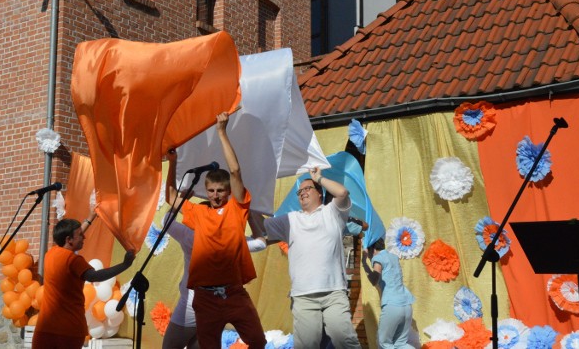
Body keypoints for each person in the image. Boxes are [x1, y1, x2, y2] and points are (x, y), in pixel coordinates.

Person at [165, 112, 266, 349]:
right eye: (211, 191)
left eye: (220, 191)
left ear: (228, 192)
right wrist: (172, 162)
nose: (216, 195)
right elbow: (170, 196)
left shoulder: (236, 208)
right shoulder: (200, 214)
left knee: (258, 342)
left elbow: (235, 172)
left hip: (234, 293)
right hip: (205, 297)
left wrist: (221, 132)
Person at [264, 168, 362, 349]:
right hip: (304, 297)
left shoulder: (332, 212)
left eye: (307, 188)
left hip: (334, 293)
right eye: (299, 192)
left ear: (319, 193)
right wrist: (245, 202)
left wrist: (318, 177)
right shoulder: (290, 220)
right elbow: (262, 229)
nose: (303, 193)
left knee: (345, 341)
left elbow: (342, 192)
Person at [32, 215, 135, 349]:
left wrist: (90, 218)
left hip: (45, 329)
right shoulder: (74, 260)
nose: (84, 237)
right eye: (80, 235)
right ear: (68, 240)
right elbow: (95, 276)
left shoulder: (49, 255)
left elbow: (70, 240)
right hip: (69, 331)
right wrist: (125, 264)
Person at [362, 238, 415, 349]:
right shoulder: (393, 257)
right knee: (400, 344)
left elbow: (374, 280)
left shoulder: (378, 258)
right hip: (407, 305)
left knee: (384, 343)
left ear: (371, 248)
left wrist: (364, 263)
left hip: (392, 306)